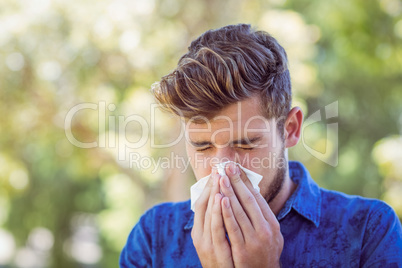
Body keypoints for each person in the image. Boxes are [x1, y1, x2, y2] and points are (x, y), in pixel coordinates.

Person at [120, 24, 402, 267]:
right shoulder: (154, 238)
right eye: (202, 146)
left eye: (245, 144)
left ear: (290, 129)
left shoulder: (368, 231)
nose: (222, 168)